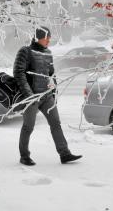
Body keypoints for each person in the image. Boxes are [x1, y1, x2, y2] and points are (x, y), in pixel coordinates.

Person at [13, 26, 82, 166]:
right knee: (28, 127)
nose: (49, 40)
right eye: (47, 37)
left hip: (46, 96)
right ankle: (24, 156)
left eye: (49, 37)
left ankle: (64, 154)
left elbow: (51, 74)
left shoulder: (48, 53)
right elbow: (18, 72)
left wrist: (54, 92)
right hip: (31, 98)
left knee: (56, 123)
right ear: (39, 37)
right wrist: (29, 94)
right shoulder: (25, 51)